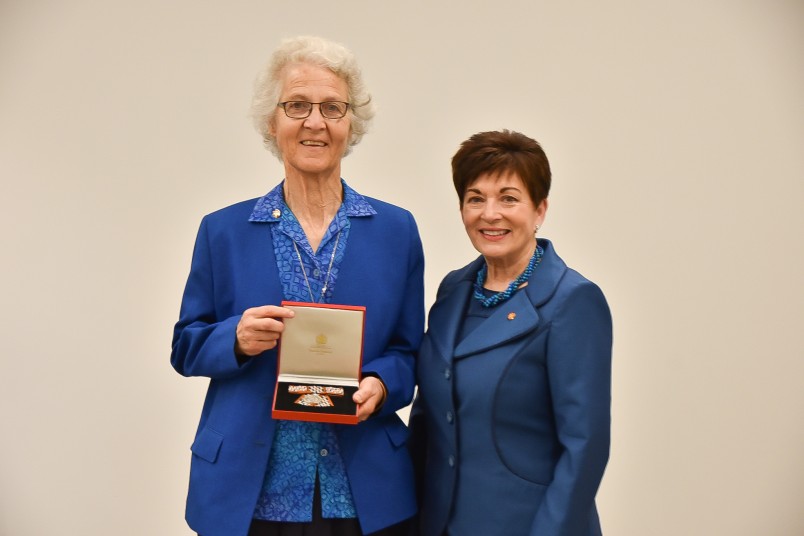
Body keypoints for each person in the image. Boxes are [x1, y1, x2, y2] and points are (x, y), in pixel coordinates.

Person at [171, 36, 423, 536]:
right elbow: (185, 345)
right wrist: (235, 339)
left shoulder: (397, 231)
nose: (315, 122)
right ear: (273, 122)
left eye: (333, 107)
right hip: (248, 493)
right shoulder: (222, 231)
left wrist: (383, 383)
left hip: (363, 493)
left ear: (351, 125)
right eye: (297, 106)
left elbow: (408, 351)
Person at [409, 130, 612, 535]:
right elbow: (428, 419)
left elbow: (584, 449)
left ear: (540, 209)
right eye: (475, 198)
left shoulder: (573, 302)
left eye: (508, 198)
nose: (490, 213)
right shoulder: (453, 291)